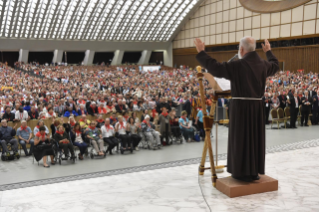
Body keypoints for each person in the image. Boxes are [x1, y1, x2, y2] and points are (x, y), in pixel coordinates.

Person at [194, 37, 279, 182]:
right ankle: (253, 172)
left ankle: (241, 172)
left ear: (241, 49)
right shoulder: (263, 65)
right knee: (254, 139)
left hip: (241, 108)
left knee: (241, 139)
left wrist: (202, 52)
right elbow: (275, 65)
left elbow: (215, 67)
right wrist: (269, 52)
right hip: (257, 108)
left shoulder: (238, 65)